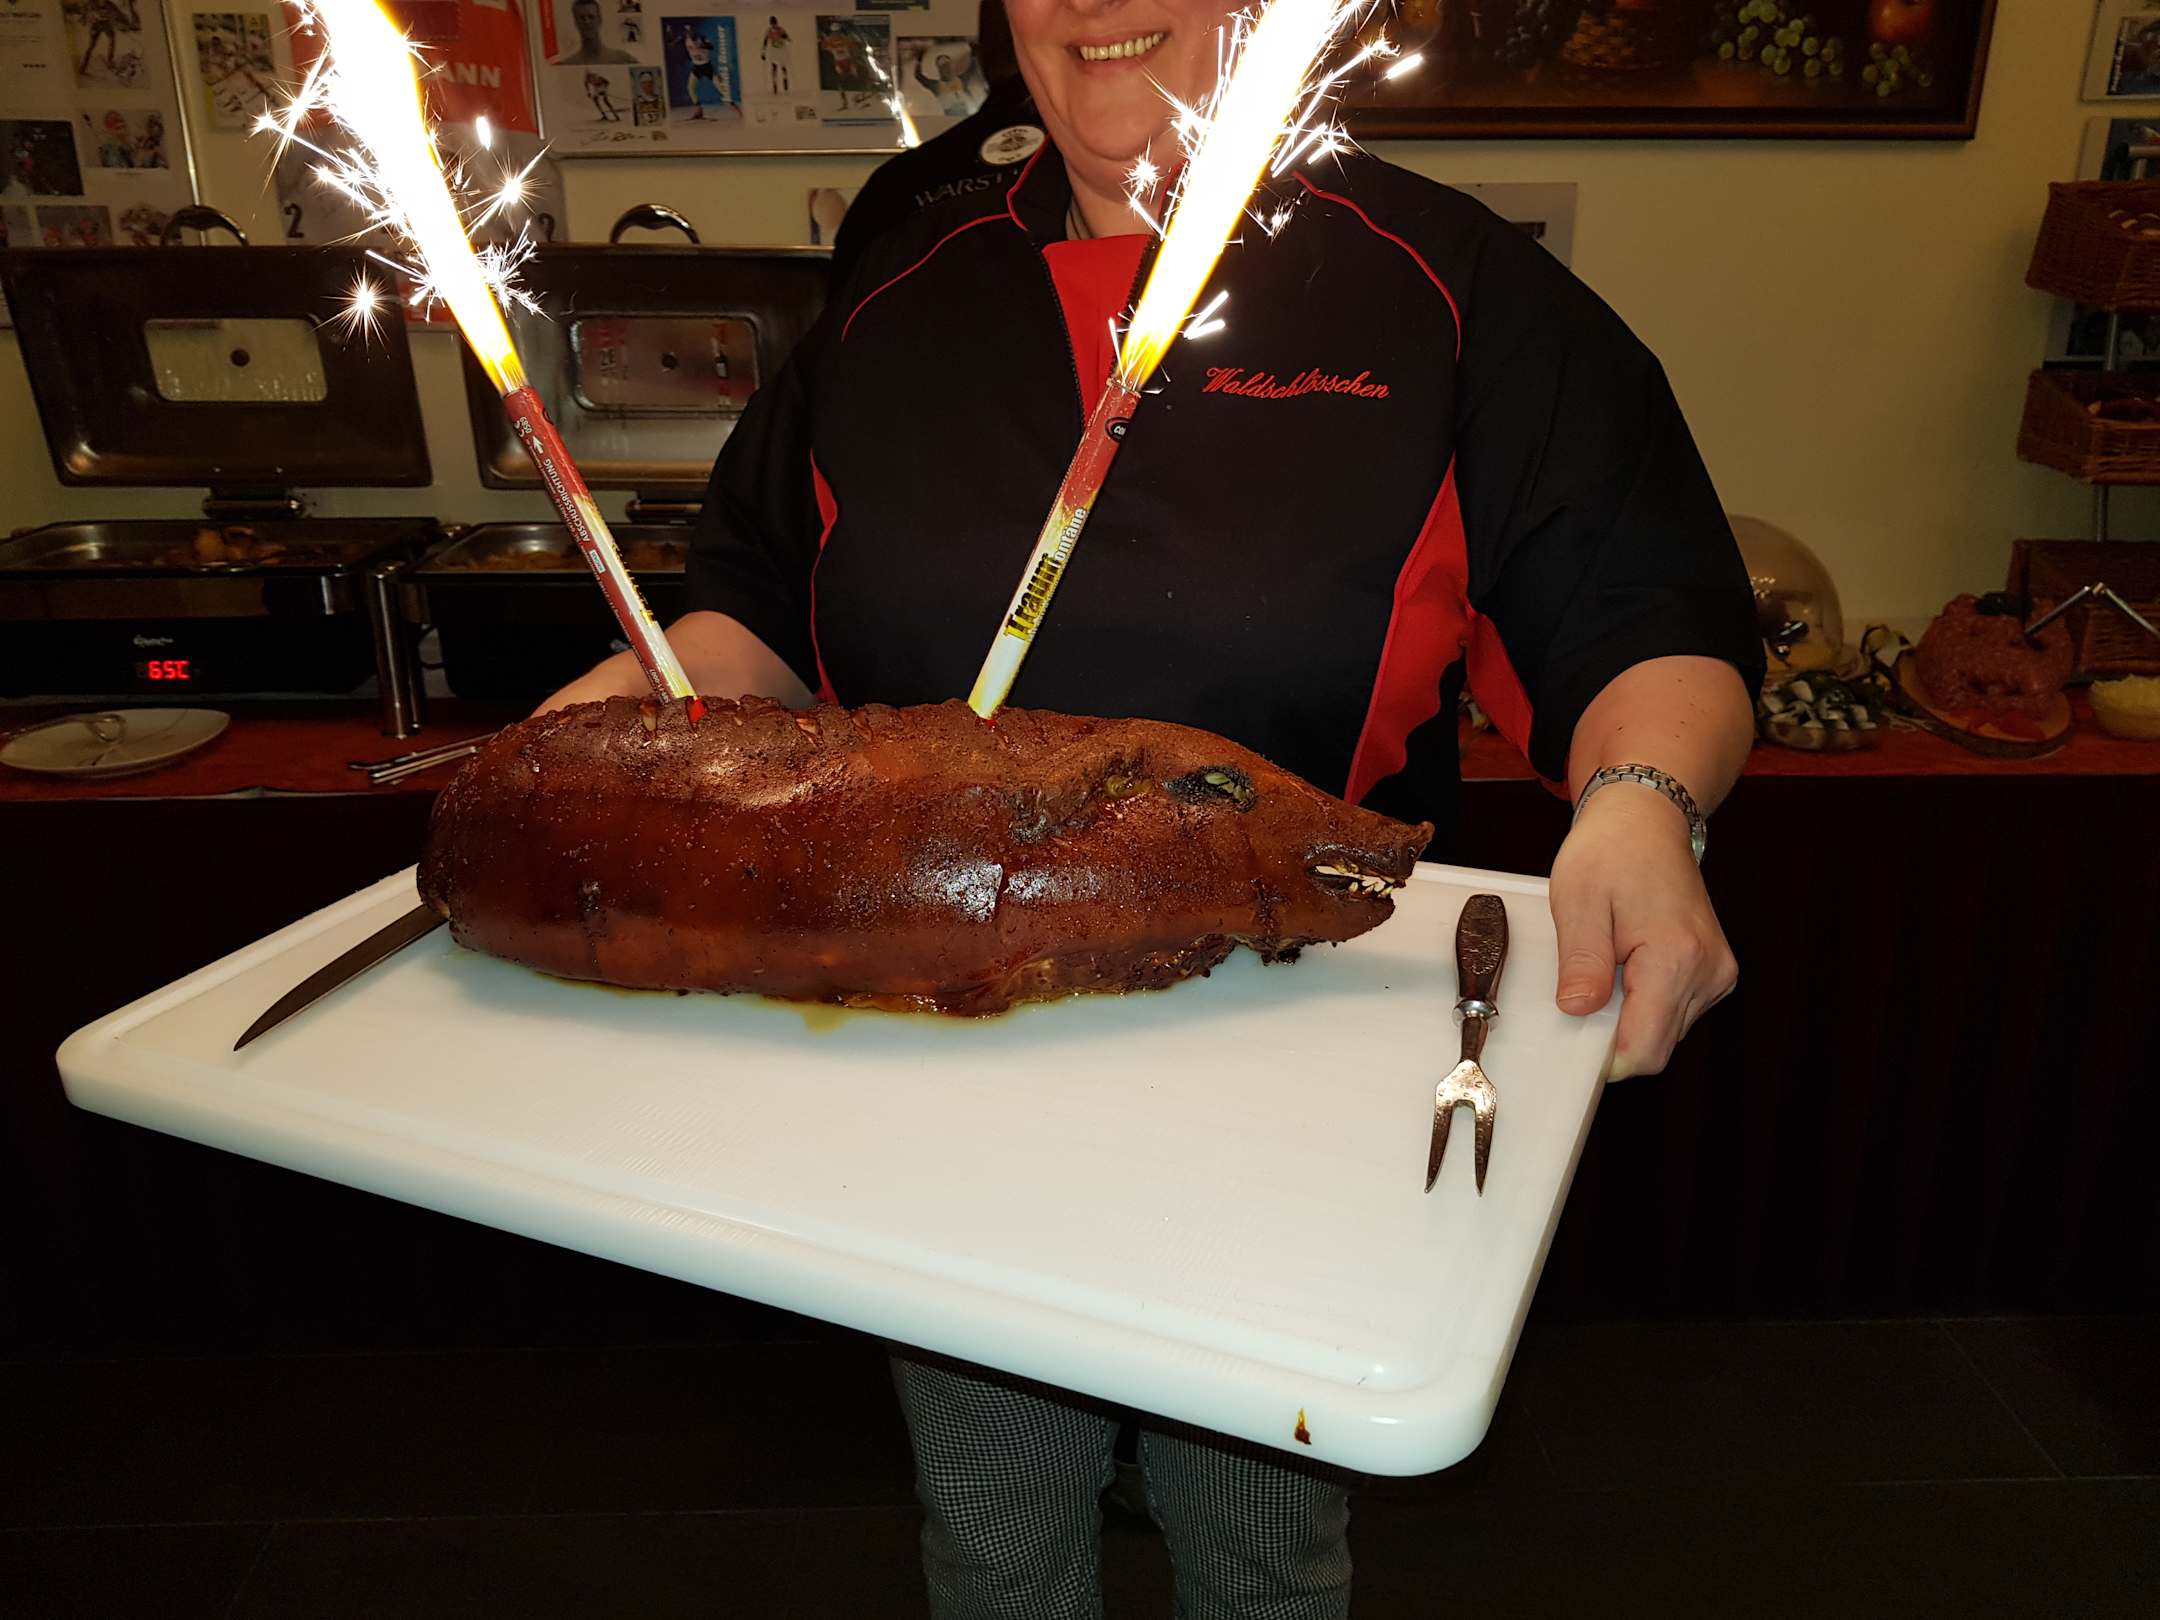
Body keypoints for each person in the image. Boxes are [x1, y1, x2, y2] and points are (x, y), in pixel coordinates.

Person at [542, 0, 1759, 1612]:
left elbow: (1642, 612)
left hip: (1294, 1033)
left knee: (1261, 1544)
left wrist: (1646, 802)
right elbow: (750, 616)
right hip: (940, 1027)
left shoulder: (1449, 283)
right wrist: (615, 719)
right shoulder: (903, 289)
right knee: (995, 1533)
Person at [551, 0, 635, 65]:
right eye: (582, 18)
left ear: (599, 20)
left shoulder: (623, 60)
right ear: (575, 22)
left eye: (591, 17)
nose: (587, 22)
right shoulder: (568, 64)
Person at [761, 16, 792, 95]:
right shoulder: (768, 31)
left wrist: (785, 37)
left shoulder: (781, 29)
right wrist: (763, 52)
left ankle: (785, 82)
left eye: (774, 23)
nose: (773, 25)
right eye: (772, 24)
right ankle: (774, 84)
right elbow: (765, 41)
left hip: (781, 50)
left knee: (783, 66)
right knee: (774, 67)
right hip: (774, 50)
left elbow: (788, 39)